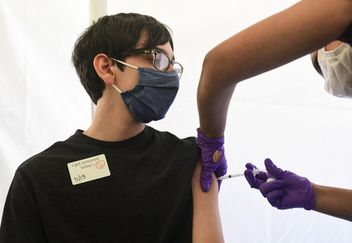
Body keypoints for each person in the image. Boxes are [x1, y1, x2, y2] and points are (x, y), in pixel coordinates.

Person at [196, 0, 352, 234]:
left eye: (319, 54)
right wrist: (312, 195)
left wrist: (211, 143)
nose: (328, 68)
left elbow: (218, 66)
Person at [0, 13, 224, 243]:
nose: (170, 75)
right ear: (106, 67)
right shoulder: (39, 178)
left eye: (172, 64)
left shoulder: (189, 160)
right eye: (158, 58)